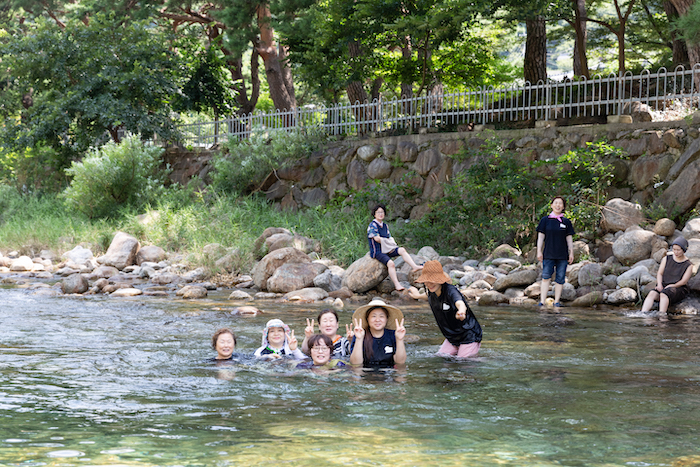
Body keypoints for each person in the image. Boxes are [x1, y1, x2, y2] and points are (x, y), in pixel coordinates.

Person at [408, 261, 482, 358]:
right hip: (452, 337)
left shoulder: (451, 291)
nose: (429, 284)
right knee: (440, 357)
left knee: (463, 362)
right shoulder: (432, 291)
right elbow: (428, 296)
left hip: (468, 335)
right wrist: (417, 296)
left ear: (440, 280)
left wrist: (461, 311)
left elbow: (459, 302)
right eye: (427, 280)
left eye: (432, 280)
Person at [367, 203, 423, 291]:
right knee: (391, 264)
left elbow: (388, 238)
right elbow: (377, 239)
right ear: (374, 214)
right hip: (378, 251)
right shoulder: (372, 225)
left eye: (382, 212)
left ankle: (414, 266)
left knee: (402, 250)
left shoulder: (385, 226)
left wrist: (390, 246)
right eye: (378, 212)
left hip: (386, 249)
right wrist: (387, 242)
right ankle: (397, 284)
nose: (380, 214)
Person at [536, 196, 575, 307]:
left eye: (560, 203)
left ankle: (557, 301)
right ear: (552, 205)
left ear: (563, 207)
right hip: (548, 254)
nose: (558, 205)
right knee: (546, 277)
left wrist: (571, 252)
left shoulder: (566, 221)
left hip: (562, 255)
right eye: (556, 203)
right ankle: (542, 301)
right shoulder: (545, 220)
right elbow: (540, 237)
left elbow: (569, 238)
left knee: (560, 278)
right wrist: (539, 251)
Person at [641, 236, 694, 317]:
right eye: (674, 249)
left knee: (664, 294)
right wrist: (659, 284)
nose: (676, 252)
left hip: (678, 287)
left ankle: (662, 316)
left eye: (678, 250)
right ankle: (643, 314)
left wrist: (672, 286)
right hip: (664, 285)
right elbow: (660, 273)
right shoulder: (667, 258)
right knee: (652, 293)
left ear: (684, 250)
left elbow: (683, 281)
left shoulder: (688, 265)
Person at [349, 299, 406, 368]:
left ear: (387, 319)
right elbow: (355, 364)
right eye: (374, 316)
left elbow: (400, 363)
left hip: (388, 373)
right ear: (367, 319)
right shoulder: (360, 334)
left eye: (381, 316)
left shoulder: (393, 335)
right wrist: (359, 339)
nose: (377, 320)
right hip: (367, 372)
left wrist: (399, 339)